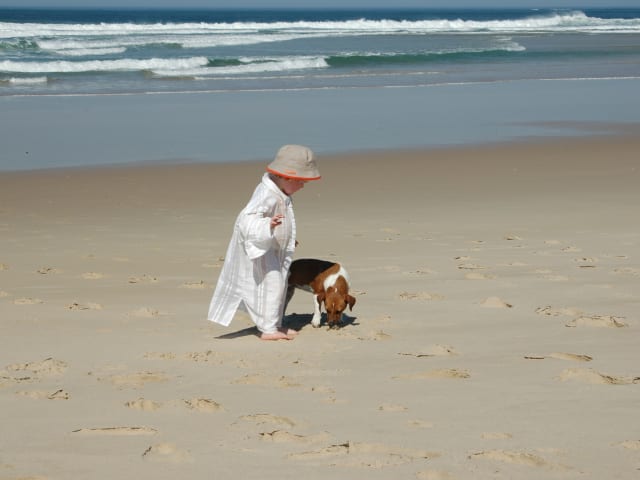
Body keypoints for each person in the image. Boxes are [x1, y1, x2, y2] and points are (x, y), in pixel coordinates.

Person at [207, 145, 321, 340]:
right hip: (259, 249)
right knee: (272, 283)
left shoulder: (280, 191)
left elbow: (283, 221)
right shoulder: (266, 193)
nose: (303, 186)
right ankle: (268, 329)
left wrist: (287, 238)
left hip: (271, 246)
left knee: (280, 283)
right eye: (301, 181)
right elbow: (247, 219)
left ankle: (274, 324)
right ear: (287, 177)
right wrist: (267, 225)